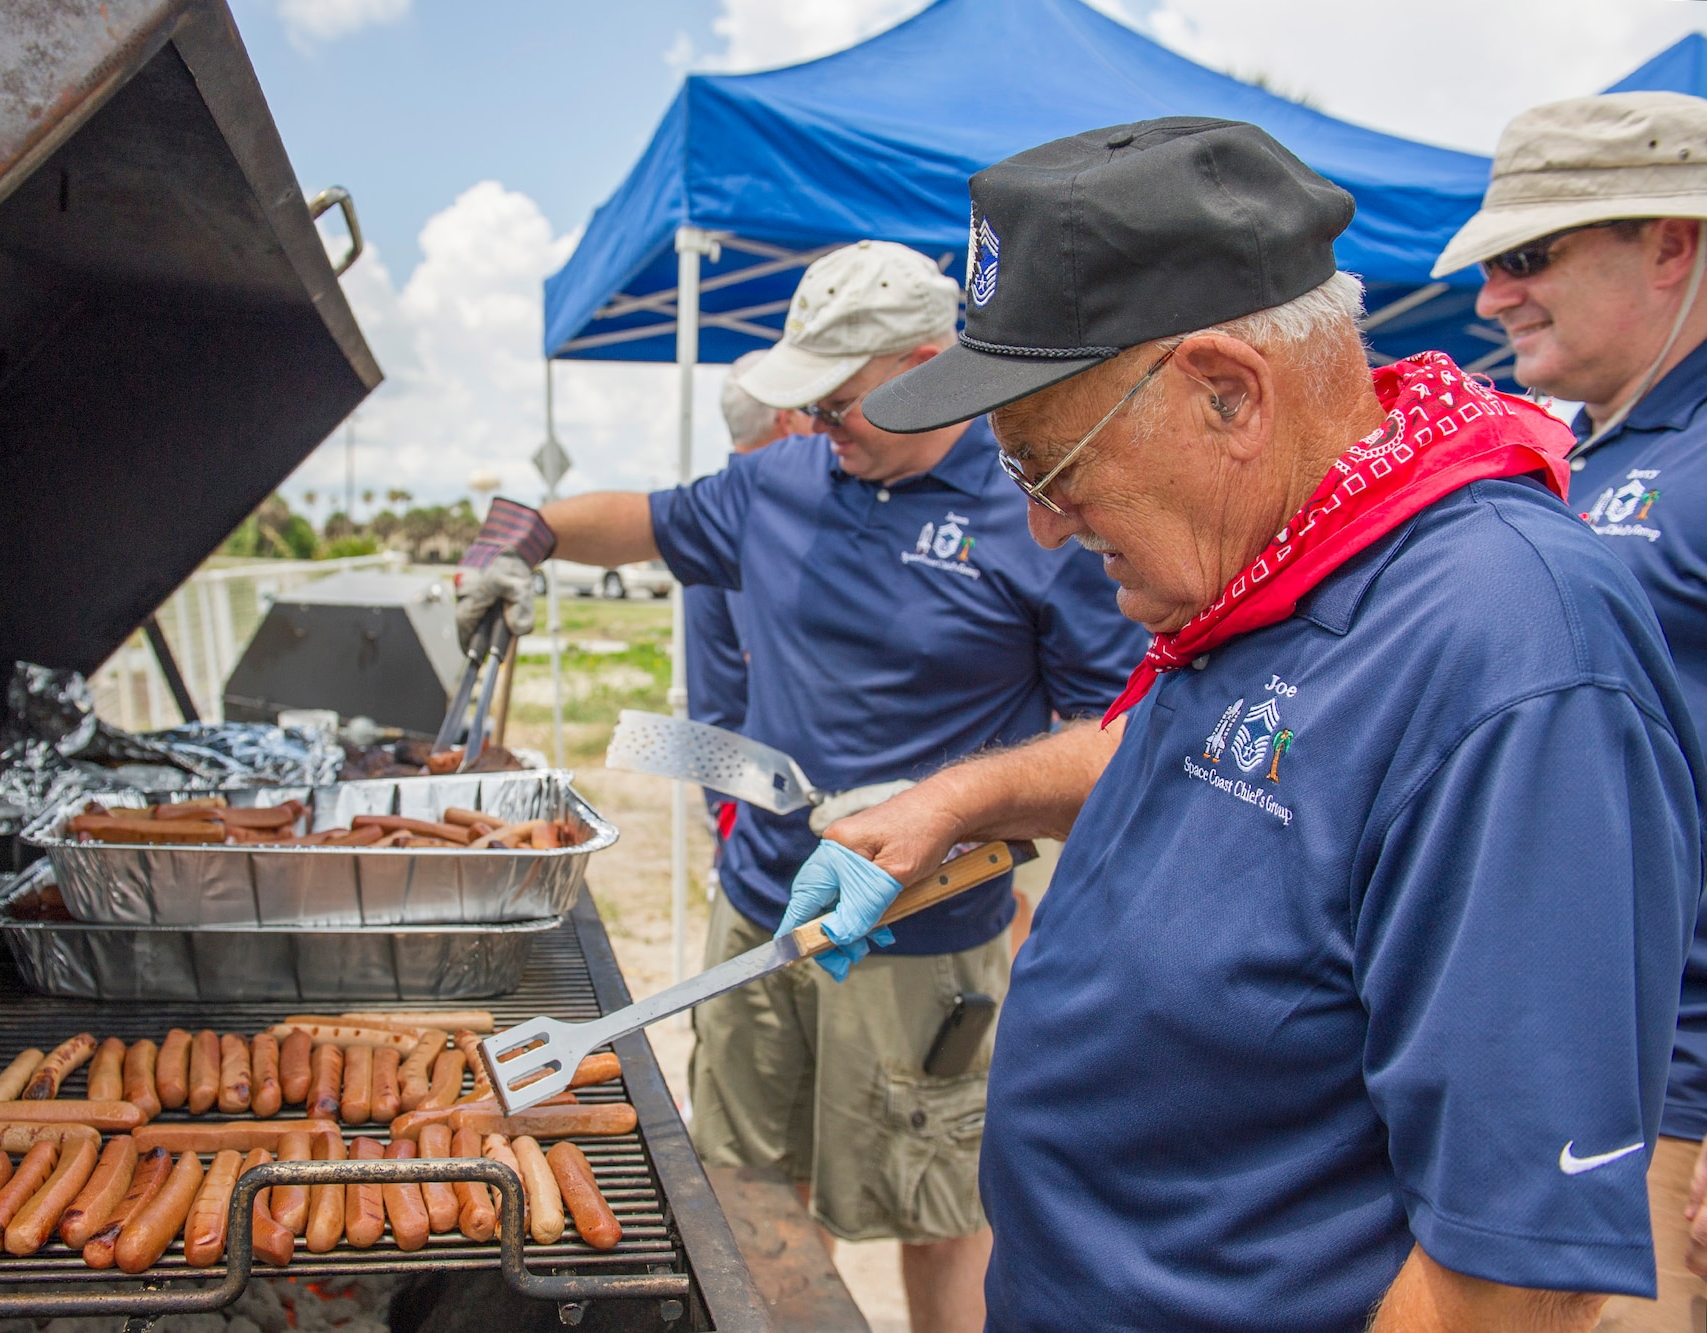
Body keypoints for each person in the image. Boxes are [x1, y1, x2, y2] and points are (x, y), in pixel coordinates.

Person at [781, 118, 1706, 1332]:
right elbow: (1205, 750)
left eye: (1050, 472)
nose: (1046, 530)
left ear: (1228, 394)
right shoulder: (1290, 544)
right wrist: (953, 799)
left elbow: (1513, 1272)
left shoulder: (1512, 651)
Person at [455, 240, 1143, 1333]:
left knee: (938, 1201)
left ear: (929, 365)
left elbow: (1108, 735)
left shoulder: (1038, 514)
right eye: (810, 409)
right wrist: (528, 532)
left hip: (913, 930)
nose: (820, 428)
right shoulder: (778, 480)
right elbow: (640, 517)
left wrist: (945, 803)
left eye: (839, 406)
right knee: (752, 1177)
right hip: (758, 902)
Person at [1431, 92, 1707, 1329]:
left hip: (1670, 1105)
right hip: (1571, 1074)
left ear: (1669, 242)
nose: (1495, 296)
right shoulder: (1601, 446)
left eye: (1527, 256)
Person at [687, 353, 810, 838]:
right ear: (787, 419)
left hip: (744, 797)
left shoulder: (714, 515)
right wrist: (734, 816)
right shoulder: (767, 517)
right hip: (769, 811)